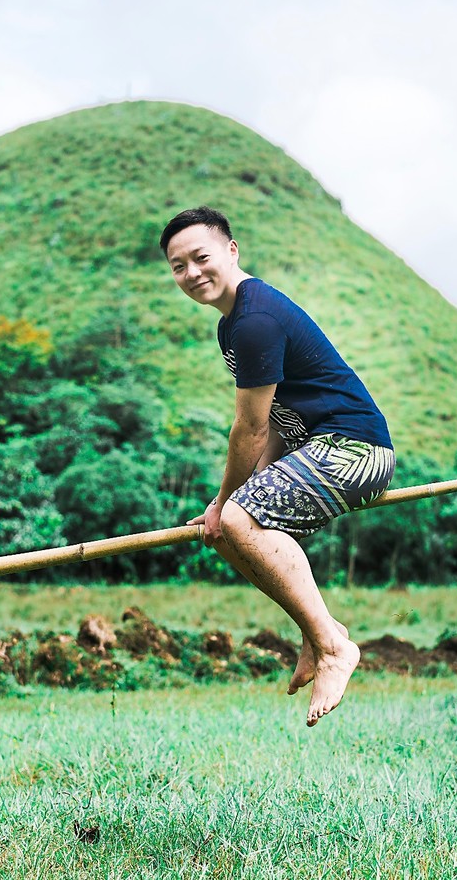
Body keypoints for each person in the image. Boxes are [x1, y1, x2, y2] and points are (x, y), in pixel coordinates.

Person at [160, 206, 395, 726]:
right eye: (179, 266)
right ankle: (317, 634)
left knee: (236, 520)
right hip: (314, 449)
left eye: (201, 257)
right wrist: (224, 506)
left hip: (356, 451)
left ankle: (334, 645)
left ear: (231, 250)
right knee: (224, 531)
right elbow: (278, 428)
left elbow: (250, 430)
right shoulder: (232, 327)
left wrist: (228, 501)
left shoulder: (255, 321)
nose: (193, 273)